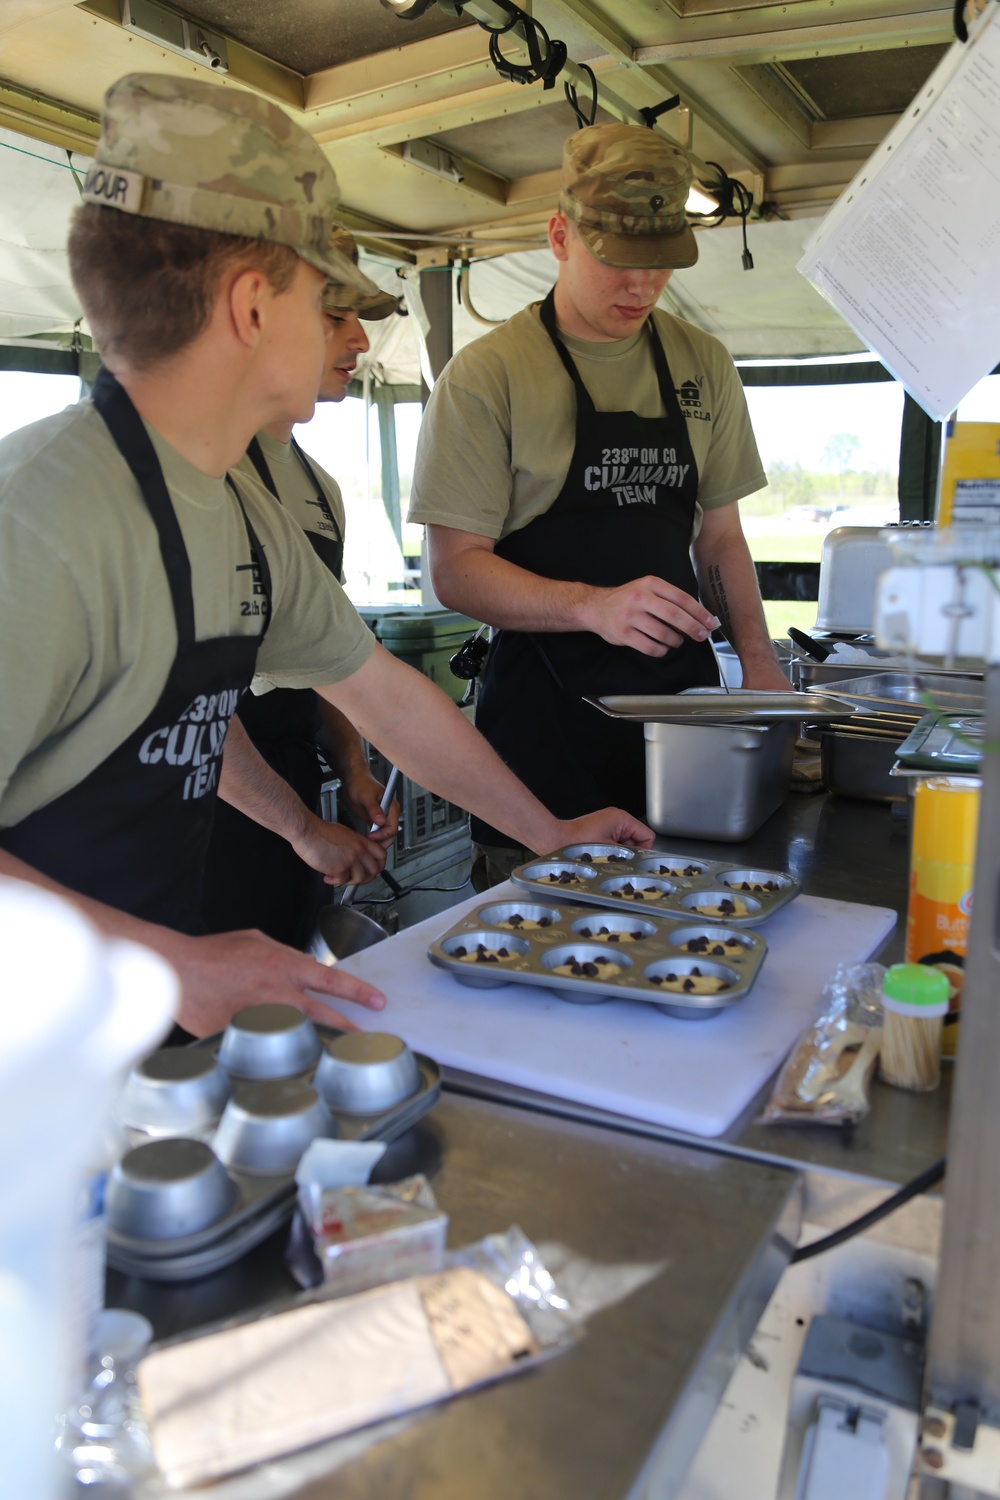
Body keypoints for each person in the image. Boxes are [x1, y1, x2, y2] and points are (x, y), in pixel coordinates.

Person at [0, 73, 651, 1040]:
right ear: (253, 308)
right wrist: (173, 963)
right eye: (321, 295)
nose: (342, 328)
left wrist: (547, 834)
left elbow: (381, 693)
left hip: (114, 1037)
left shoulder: (233, 510)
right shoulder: (40, 519)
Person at [409, 122, 788, 885]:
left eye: (660, 263)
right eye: (620, 261)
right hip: (541, 736)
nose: (641, 286)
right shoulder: (488, 377)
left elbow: (719, 540)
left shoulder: (700, 362)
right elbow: (454, 573)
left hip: (679, 733)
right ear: (559, 236)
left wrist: (758, 659)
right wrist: (592, 606)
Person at [202, 233, 402, 949]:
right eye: (336, 316)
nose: (359, 341)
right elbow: (187, 704)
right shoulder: (207, 476)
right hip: (204, 797)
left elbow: (328, 654)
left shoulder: (320, 489)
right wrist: (298, 825)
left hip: (287, 768)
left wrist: (351, 768)